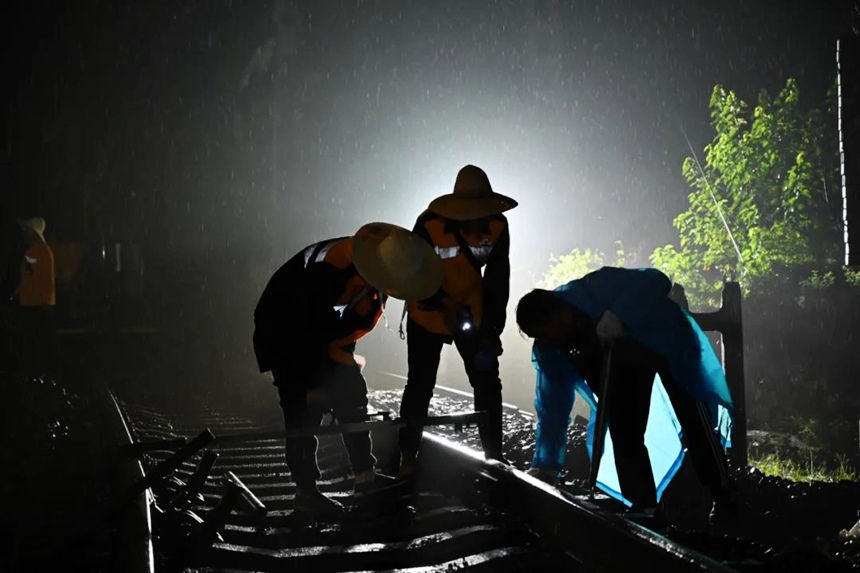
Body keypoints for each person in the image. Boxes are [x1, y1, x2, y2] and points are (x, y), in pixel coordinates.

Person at [515, 266, 738, 525]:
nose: (545, 340)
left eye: (545, 331)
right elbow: (552, 408)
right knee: (624, 430)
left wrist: (618, 315)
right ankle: (644, 506)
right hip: (623, 366)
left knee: (694, 421)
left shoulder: (594, 288)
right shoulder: (550, 349)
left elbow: (657, 279)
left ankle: (723, 497)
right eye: (537, 337)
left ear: (558, 313)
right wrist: (547, 465)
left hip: (668, 344)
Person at [253, 222, 442, 514]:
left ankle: (365, 479)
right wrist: (311, 387)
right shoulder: (327, 270)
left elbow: (346, 320)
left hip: (323, 337)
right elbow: (305, 328)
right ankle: (305, 493)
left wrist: (345, 366)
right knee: (303, 414)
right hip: (286, 338)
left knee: (352, 395)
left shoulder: (378, 271)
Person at [397, 165, 518, 477]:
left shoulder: (497, 225)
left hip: (472, 312)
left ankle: (494, 455)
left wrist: (492, 330)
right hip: (427, 312)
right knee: (420, 385)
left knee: (487, 379)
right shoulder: (429, 224)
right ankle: (407, 457)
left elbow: (497, 280)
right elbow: (413, 270)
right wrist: (440, 302)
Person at [14, 217, 56, 379]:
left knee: (33, 346)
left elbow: (28, 278)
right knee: (44, 347)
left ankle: (35, 378)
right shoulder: (47, 251)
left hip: (33, 305)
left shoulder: (31, 253)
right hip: (46, 304)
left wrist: (15, 295)